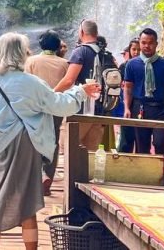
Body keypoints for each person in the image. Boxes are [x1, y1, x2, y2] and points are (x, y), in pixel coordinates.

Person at [0, 33, 101, 250]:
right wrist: (81, 92)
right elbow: (58, 105)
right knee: (28, 201)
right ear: (20, 54)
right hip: (25, 144)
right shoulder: (30, 83)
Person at [53, 20, 112, 151]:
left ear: (81, 32)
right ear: (96, 33)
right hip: (100, 110)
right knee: (90, 153)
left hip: (80, 109)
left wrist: (52, 93)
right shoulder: (106, 54)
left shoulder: (80, 51)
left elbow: (69, 80)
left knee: (67, 148)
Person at [123, 28, 164, 156]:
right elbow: (128, 87)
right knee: (142, 145)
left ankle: (161, 174)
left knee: (160, 143)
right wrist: (127, 108)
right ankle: (143, 175)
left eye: (150, 43)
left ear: (156, 44)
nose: (146, 46)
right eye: (143, 43)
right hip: (139, 108)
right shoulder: (132, 64)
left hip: (160, 109)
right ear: (140, 43)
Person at [24, 30, 69, 195]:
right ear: (58, 46)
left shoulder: (31, 61)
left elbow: (25, 84)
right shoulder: (65, 64)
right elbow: (69, 86)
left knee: (33, 139)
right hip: (56, 107)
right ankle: (47, 179)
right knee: (54, 141)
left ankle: (35, 179)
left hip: (35, 107)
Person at [116, 38, 140, 153]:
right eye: (134, 49)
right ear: (129, 50)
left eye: (138, 49)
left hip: (140, 103)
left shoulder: (145, 66)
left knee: (140, 136)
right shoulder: (124, 66)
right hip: (126, 103)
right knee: (126, 135)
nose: (136, 52)